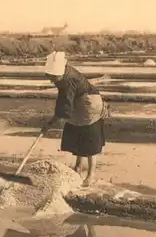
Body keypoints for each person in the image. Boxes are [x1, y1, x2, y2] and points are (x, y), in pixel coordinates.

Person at [41, 51, 110, 187]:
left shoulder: (68, 81)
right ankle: (78, 167)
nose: (51, 80)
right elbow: (64, 103)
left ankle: (91, 174)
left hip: (89, 104)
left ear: (59, 72)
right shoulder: (63, 74)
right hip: (79, 103)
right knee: (78, 134)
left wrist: (50, 124)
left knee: (90, 140)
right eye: (50, 76)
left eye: (53, 77)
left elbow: (64, 107)